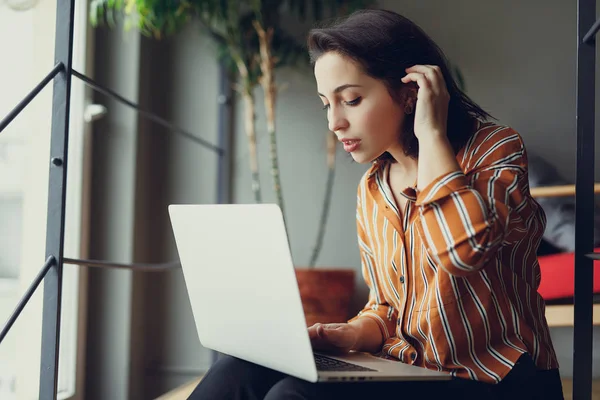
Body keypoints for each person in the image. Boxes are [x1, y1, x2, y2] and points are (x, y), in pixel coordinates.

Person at [188, 9, 564, 400]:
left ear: (409, 93)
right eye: (326, 105)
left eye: (350, 100)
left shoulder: (494, 149)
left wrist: (431, 134)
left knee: (292, 395)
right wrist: (350, 332)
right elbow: (386, 307)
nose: (334, 122)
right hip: (411, 372)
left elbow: (463, 252)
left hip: (496, 381)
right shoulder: (374, 186)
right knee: (239, 367)